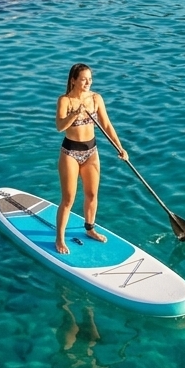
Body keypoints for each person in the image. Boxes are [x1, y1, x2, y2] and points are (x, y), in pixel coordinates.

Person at [55, 63, 127, 255]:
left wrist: (120, 147)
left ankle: (90, 229)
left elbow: (107, 125)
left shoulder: (96, 99)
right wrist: (74, 114)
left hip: (91, 151)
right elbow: (59, 126)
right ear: (73, 80)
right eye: (83, 79)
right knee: (69, 199)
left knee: (92, 195)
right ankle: (60, 238)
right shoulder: (65, 101)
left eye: (90, 79)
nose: (88, 82)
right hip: (70, 152)